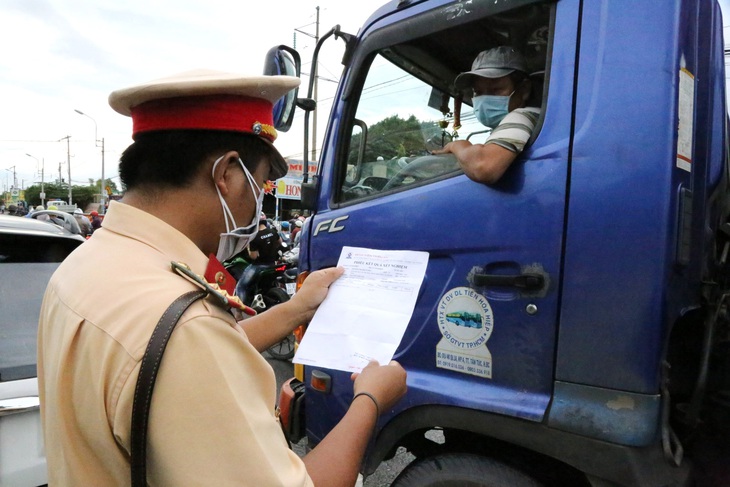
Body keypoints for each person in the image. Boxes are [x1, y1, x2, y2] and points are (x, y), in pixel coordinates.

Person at [37, 69, 407, 486]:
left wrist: (298, 307)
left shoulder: (87, 264)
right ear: (227, 173)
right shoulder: (185, 328)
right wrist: (371, 400)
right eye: (263, 182)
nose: (261, 203)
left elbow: (168, 364)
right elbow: (187, 348)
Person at [433, 46, 540, 184]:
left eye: (496, 89)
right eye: (478, 92)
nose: (485, 99)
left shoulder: (523, 116)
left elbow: (483, 168)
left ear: (524, 89)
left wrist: (456, 145)